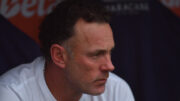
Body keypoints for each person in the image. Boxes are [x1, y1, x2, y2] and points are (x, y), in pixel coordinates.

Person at [0, 0, 134, 101]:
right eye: (95, 55)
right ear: (59, 56)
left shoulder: (117, 91)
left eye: (109, 52)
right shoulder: (12, 94)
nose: (110, 66)